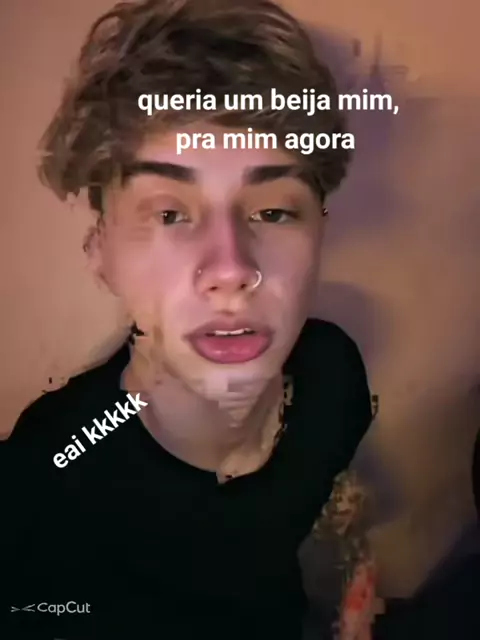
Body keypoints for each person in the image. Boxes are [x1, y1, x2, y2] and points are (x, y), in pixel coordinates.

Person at [2, 1, 382, 638]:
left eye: (273, 211)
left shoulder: (332, 373)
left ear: (321, 234)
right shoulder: (49, 479)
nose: (230, 269)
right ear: (100, 253)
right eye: (169, 214)